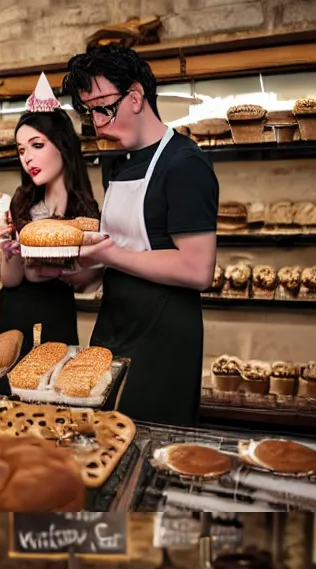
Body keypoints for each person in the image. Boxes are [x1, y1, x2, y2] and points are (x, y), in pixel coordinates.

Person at [63, 44, 218, 425]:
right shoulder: (116, 164)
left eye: (102, 107)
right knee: (102, 437)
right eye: (88, 111)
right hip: (114, 326)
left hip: (164, 338)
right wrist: (74, 270)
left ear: (135, 96)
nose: (97, 122)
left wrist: (107, 255)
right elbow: (115, 257)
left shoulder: (184, 164)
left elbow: (198, 269)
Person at [0, 76, 101, 354]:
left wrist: (78, 271)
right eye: (21, 150)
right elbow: (12, 279)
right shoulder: (21, 200)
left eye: (36, 145)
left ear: (62, 146)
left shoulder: (85, 211)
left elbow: (88, 280)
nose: (27, 157)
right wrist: (7, 249)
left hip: (57, 314)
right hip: (13, 315)